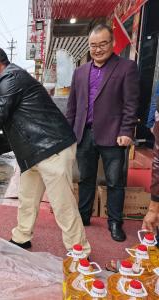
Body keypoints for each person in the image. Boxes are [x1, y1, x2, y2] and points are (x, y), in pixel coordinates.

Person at [0, 46, 91, 255]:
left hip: (51, 147)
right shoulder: (11, 78)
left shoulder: (10, 78)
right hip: (34, 150)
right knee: (27, 197)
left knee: (62, 203)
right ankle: (22, 237)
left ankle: (79, 251)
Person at [66, 24, 140, 242]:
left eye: (102, 44)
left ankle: (115, 222)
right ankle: (84, 215)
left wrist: (127, 130)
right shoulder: (80, 72)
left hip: (114, 135)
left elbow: (131, 103)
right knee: (86, 178)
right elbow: (72, 106)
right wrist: (68, 134)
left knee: (115, 181)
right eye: (93, 45)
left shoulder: (126, 67)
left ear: (112, 43)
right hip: (84, 134)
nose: (97, 49)